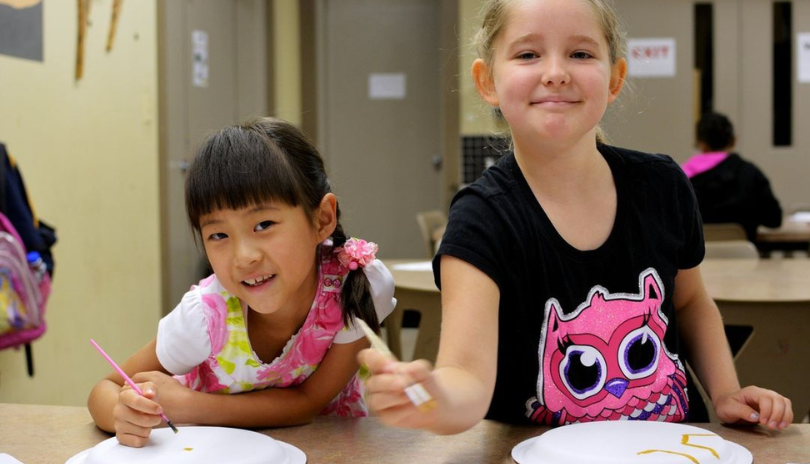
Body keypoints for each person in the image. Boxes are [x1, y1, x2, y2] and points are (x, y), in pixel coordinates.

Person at [359, 0, 793, 434]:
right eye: (528, 54)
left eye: (581, 54)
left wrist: (726, 392)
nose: (555, 72)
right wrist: (433, 398)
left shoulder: (663, 185)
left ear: (615, 79)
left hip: (671, 445)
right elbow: (467, 379)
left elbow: (690, 302)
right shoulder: (481, 217)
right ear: (487, 81)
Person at [88, 117, 396, 447]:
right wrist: (124, 413)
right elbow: (104, 390)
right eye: (218, 234)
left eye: (263, 224)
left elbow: (309, 403)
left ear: (322, 219)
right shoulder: (205, 317)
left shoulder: (356, 286)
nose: (243, 256)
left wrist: (192, 406)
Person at [683, 112, 783, 242]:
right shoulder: (750, 173)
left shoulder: (682, 177)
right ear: (733, 140)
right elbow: (774, 219)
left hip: (697, 259)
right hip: (745, 258)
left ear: (701, 143)